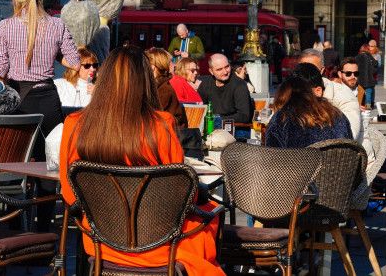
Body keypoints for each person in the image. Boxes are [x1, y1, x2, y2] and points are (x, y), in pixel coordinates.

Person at [59, 49, 222, 275]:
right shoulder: (161, 124)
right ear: (146, 81)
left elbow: (69, 194)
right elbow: (183, 195)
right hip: (160, 241)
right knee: (212, 212)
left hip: (101, 242)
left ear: (103, 79)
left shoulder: (74, 124)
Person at [0, 0, 79, 230]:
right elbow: (74, 61)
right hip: (48, 100)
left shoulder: (5, 26)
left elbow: (0, 68)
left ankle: (15, 229)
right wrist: (51, 55)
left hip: (19, 100)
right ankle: (43, 231)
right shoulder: (57, 25)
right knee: (48, 167)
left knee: (14, 165)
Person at [264, 75, 352, 148]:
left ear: (280, 98)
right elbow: (351, 146)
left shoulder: (282, 117)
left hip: (300, 167)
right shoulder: (336, 113)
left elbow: (271, 158)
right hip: (340, 167)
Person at [299, 49, 363, 141]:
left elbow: (349, 135)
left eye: (312, 69)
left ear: (322, 70)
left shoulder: (343, 94)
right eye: (301, 69)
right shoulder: (290, 93)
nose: (305, 74)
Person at [197, 53, 253, 125]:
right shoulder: (205, 84)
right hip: (211, 126)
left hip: (235, 127)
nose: (225, 72)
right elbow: (200, 109)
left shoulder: (239, 84)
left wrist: (218, 120)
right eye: (219, 69)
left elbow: (244, 116)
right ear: (211, 71)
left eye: (227, 67)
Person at [146, 48, 188, 128]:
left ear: (152, 67)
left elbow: (152, 119)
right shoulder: (158, 86)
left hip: (167, 134)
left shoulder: (164, 90)